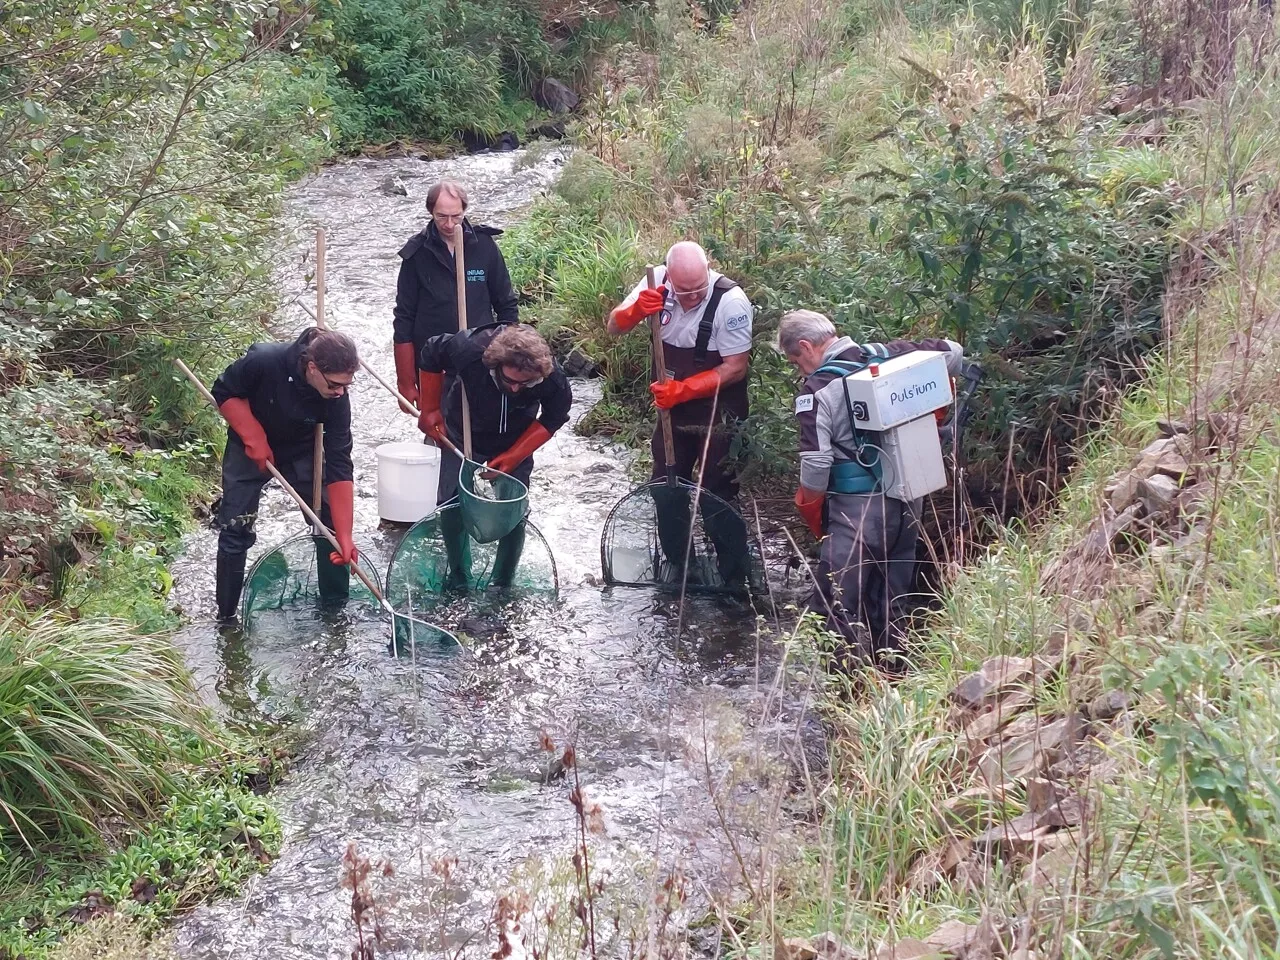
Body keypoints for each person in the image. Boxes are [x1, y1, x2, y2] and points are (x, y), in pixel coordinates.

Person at [778, 309, 964, 672]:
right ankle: (893, 690)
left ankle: (843, 702)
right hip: (910, 499)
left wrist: (811, 506)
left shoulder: (817, 391)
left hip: (856, 512)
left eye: (795, 361)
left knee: (835, 608)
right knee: (891, 602)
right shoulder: (889, 354)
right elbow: (954, 352)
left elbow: (816, 468)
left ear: (805, 347)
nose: (800, 370)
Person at [605, 240, 753, 588]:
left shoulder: (730, 302)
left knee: (716, 490)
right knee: (665, 484)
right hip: (670, 409)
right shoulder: (654, 281)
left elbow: (735, 368)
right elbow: (613, 327)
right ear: (669, 275)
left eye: (698, 289)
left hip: (720, 408)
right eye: (682, 290)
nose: (690, 297)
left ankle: (734, 577)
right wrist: (635, 311)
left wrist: (683, 391)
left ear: (709, 269)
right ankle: (679, 564)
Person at [211, 327, 361, 622]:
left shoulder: (338, 399)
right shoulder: (266, 360)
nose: (340, 392)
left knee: (328, 523)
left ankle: (334, 609)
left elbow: (341, 462)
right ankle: (226, 617)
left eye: (347, 385)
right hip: (249, 445)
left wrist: (344, 534)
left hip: (304, 448)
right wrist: (252, 434)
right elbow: (223, 390)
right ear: (313, 368)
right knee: (235, 527)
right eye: (334, 384)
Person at [416, 323, 572, 589]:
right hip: (463, 429)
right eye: (509, 380)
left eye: (525, 384)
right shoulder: (469, 349)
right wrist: (430, 409)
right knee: (452, 500)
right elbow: (431, 351)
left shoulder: (551, 378)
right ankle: (458, 574)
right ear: (494, 366)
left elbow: (554, 418)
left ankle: (502, 581)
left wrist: (513, 456)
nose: (514, 389)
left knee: (513, 505)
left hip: (516, 435)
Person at [393, 180, 519, 415]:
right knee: (438, 426)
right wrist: (406, 382)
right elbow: (403, 318)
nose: (449, 224)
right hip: (433, 361)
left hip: (482, 357)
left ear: (464, 211)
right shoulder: (417, 253)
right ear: (430, 212)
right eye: (441, 217)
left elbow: (506, 305)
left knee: (482, 425)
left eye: (456, 216)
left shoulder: (485, 246)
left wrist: (510, 356)